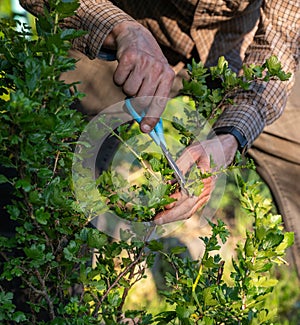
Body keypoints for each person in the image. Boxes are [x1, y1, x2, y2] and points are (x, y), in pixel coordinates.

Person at [19, 0, 300, 272]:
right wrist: (120, 29)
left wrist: (230, 136)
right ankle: (50, 302)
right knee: (53, 166)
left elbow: (281, 41)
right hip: (118, 39)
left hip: (235, 59)